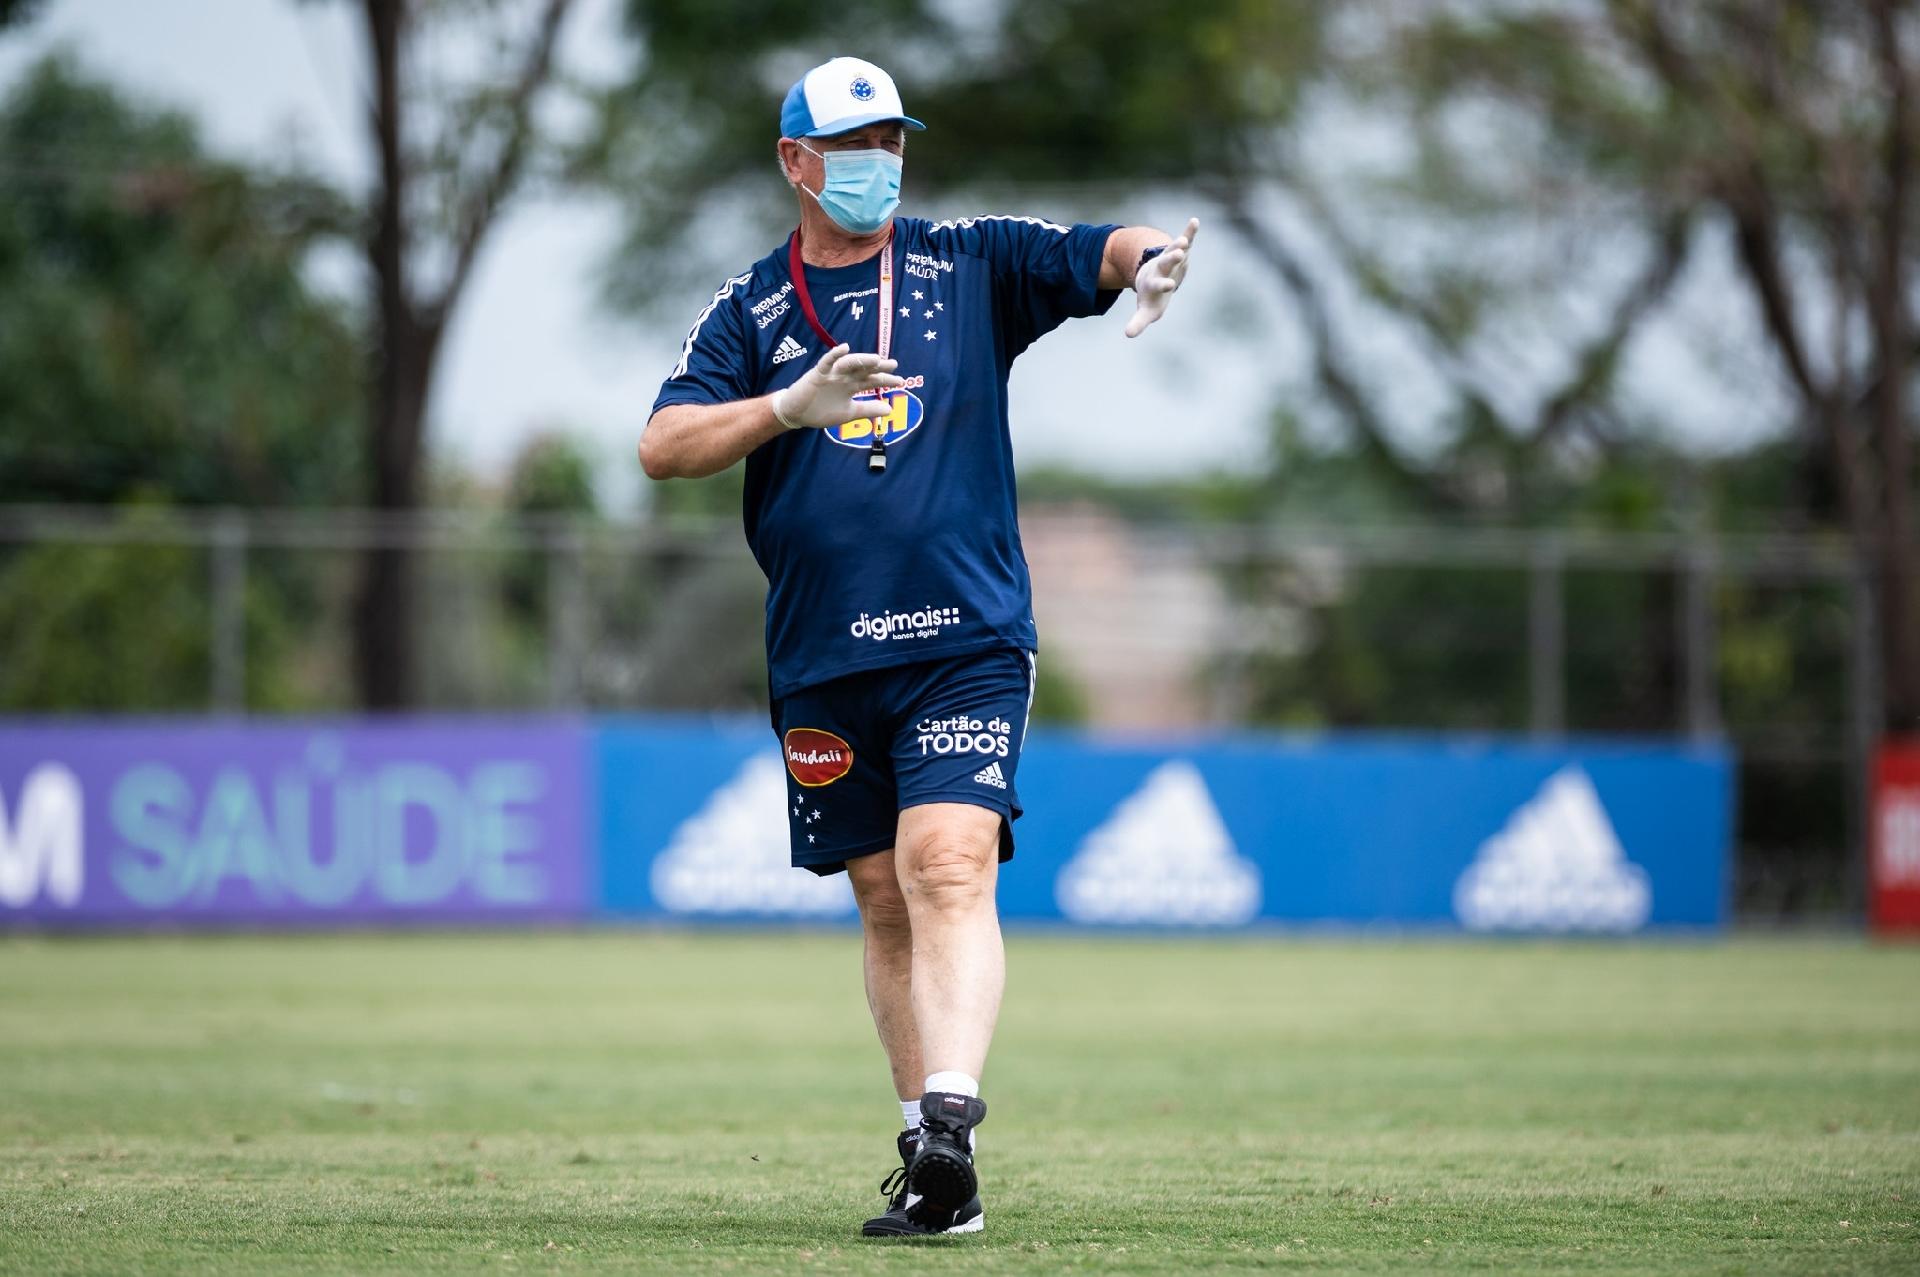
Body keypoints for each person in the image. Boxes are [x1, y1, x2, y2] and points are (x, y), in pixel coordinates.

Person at [639, 54, 1195, 1238]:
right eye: (854, 146)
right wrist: (784, 408)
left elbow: (1098, 247)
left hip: (965, 638)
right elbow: (663, 443)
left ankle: (950, 1123)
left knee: (946, 862)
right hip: (822, 653)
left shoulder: (969, 262)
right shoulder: (752, 309)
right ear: (796, 162)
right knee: (882, 894)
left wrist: (1151, 259)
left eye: (892, 141)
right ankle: (934, 1168)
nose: (879, 164)